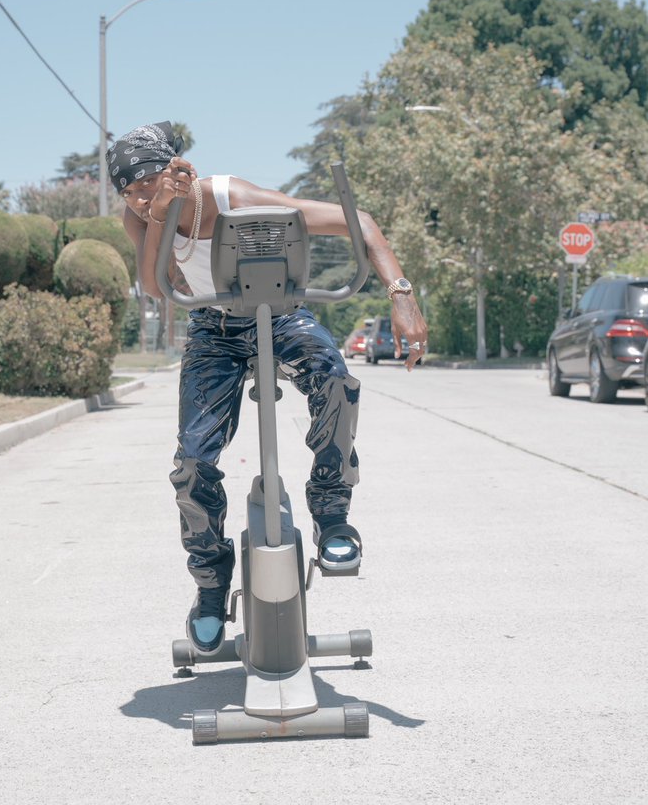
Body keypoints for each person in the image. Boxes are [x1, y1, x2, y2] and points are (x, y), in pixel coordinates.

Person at [108, 121, 428, 656]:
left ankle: (331, 514)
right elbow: (153, 285)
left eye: (148, 185)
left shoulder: (237, 197)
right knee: (192, 459)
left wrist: (401, 295)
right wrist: (159, 213)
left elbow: (360, 221)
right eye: (129, 192)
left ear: (176, 171)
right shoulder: (140, 216)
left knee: (335, 380)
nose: (139, 201)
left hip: (280, 316)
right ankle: (210, 583)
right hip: (212, 327)